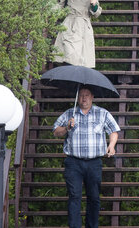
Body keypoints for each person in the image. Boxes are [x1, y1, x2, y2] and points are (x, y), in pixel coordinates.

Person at [53, 87, 120, 228]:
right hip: (73, 163)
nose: (84, 98)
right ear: (78, 97)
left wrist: (112, 145)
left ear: (92, 97)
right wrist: (66, 127)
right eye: (81, 95)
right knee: (74, 196)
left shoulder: (102, 113)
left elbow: (114, 130)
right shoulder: (69, 114)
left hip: (94, 163)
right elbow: (55, 131)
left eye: (87, 95)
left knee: (94, 197)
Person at [54, 0, 102, 68]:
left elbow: (97, 13)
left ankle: (79, 81)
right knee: (70, 55)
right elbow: (59, 9)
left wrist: (94, 5)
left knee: (83, 58)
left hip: (84, 27)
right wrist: (48, 7)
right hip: (70, 26)